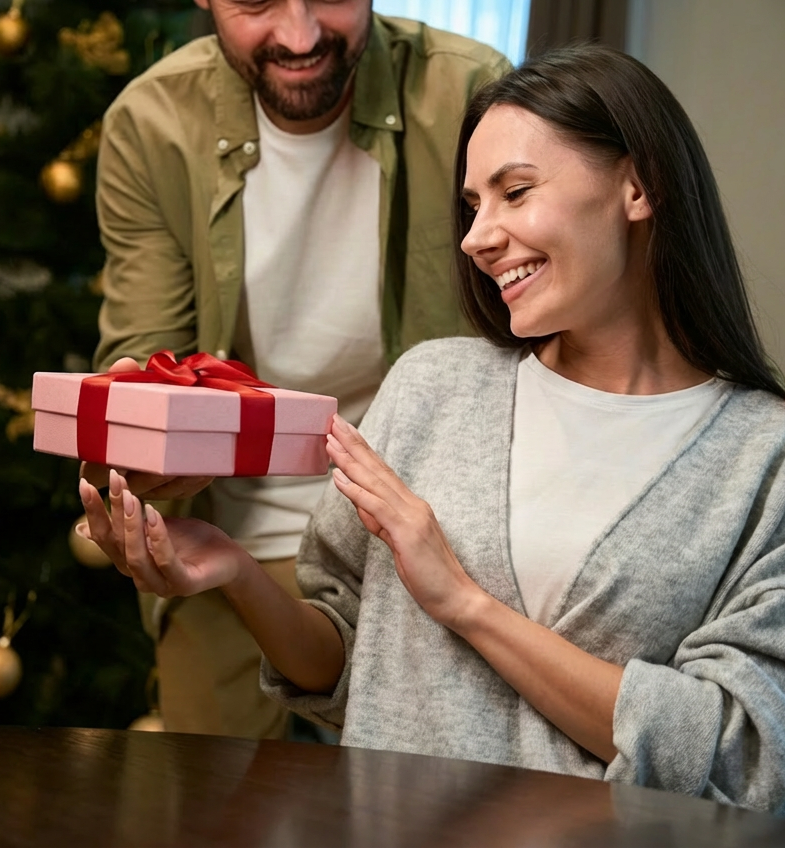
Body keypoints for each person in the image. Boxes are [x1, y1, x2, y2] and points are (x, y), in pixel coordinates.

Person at [79, 43, 785, 813]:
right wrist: (237, 573)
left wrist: (463, 601)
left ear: (638, 186)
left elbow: (742, 754)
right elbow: (347, 662)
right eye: (472, 205)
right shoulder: (434, 387)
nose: (476, 237)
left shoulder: (761, 458)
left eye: (515, 192)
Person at [84, 0, 510, 739]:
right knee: (213, 795)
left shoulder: (469, 94)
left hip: (427, 538)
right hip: (223, 535)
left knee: (417, 795)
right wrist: (138, 455)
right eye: (257, 2)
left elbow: (529, 346)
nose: (301, 35)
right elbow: (143, 361)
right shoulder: (152, 122)